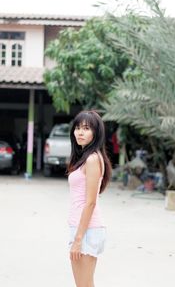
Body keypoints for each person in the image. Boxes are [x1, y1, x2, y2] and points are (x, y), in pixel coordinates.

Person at [67, 110, 112, 287]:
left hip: (86, 231)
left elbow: (91, 202)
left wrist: (78, 239)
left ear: (96, 133)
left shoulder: (93, 159)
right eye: (77, 128)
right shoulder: (85, 158)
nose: (80, 132)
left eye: (86, 128)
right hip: (82, 229)